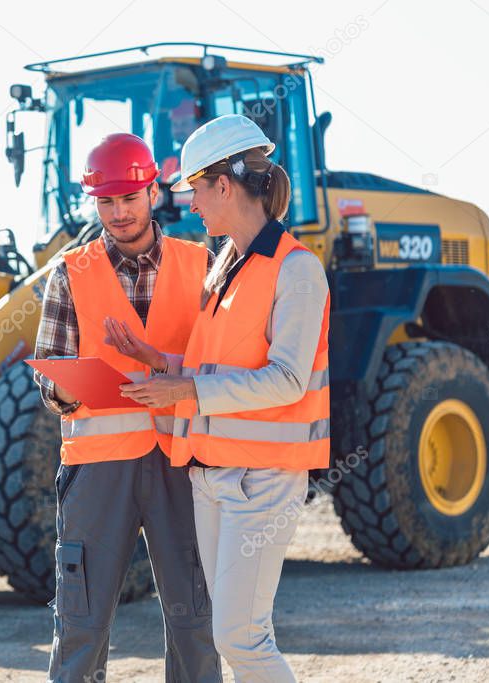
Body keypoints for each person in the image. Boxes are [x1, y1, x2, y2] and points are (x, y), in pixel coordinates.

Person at [116, 114, 330, 683]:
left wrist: (186, 388)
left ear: (225, 186)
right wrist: (158, 360)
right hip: (211, 476)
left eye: (195, 191)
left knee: (240, 635)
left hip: (261, 479)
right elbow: (218, 368)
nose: (191, 206)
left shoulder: (298, 270)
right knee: (234, 632)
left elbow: (287, 378)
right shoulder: (225, 269)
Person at [33, 132, 222, 683]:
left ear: (153, 193)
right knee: (81, 622)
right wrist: (69, 388)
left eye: (128, 199)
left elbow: (221, 365)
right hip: (98, 469)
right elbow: (52, 379)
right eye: (106, 202)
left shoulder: (204, 266)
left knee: (195, 621)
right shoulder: (70, 272)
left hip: (184, 463)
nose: (118, 213)